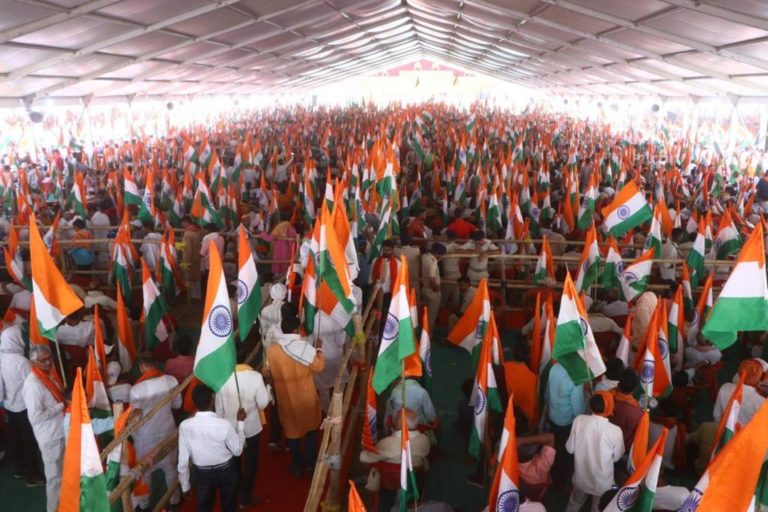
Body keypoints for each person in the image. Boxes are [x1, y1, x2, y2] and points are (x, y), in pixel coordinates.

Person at [265, 313, 325, 476]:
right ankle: (311, 464)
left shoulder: (273, 350)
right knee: (311, 429)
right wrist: (319, 349)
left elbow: (267, 371)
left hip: (286, 398)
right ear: (296, 330)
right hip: (306, 397)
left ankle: (297, 465)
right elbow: (319, 367)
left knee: (291, 431)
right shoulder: (305, 347)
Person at [178, 384, 246, 512]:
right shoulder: (224, 424)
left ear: (194, 402)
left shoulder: (185, 426)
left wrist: (185, 485)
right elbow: (237, 451)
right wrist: (240, 424)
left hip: (202, 473)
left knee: (204, 507)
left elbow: (183, 460)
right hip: (226, 470)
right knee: (229, 504)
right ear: (212, 399)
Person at [129, 352, 182, 507]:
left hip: (145, 437)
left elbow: (134, 418)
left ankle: (144, 505)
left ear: (142, 366)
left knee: (144, 472)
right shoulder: (171, 381)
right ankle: (174, 500)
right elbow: (177, 405)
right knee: (170, 468)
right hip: (167, 429)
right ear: (156, 363)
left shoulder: (136, 390)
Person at [215, 360, 269, 507]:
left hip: (230, 429)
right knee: (251, 462)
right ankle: (245, 497)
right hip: (251, 428)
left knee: (234, 461)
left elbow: (219, 412)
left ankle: (237, 490)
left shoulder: (221, 379)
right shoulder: (255, 376)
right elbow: (263, 404)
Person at [22, 344, 66, 512]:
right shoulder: (32, 385)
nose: (48, 363)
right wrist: (60, 406)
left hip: (60, 431)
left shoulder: (49, 376)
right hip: (50, 437)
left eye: (50, 358)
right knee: (55, 478)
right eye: (43, 360)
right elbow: (35, 417)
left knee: (64, 474)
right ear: (34, 363)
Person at [565, 392, 625, 512]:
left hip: (581, 479)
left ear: (591, 406)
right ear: (609, 407)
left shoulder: (579, 420)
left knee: (574, 502)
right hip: (602, 484)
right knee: (597, 508)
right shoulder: (615, 431)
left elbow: (569, 448)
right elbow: (617, 457)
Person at [0, 325, 44, 486]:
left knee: (15, 439)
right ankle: (33, 476)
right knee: (29, 441)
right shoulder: (22, 362)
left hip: (9, 407)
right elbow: (33, 385)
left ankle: (19, 469)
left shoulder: (1, 358)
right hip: (25, 407)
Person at [545, 362, 586, 490]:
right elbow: (578, 408)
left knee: (553, 447)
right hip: (566, 422)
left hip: (552, 416)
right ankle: (559, 483)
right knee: (563, 454)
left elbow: (547, 394)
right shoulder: (575, 377)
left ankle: (550, 475)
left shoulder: (554, 367)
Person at [360, 408, 430, 467]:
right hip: (415, 475)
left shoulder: (386, 443)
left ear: (399, 423)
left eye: (396, 417)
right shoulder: (425, 439)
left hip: (389, 478)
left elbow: (365, 458)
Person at [714, 359, 765, 426]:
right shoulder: (762, 402)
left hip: (723, 430)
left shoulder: (725, 387)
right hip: (744, 435)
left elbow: (716, 415)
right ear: (758, 376)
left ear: (739, 373)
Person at [610, 369, 644, 448]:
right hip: (623, 448)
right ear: (634, 389)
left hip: (605, 443)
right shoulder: (637, 413)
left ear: (618, 384)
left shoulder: (607, 399)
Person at [370, 239, 401, 313]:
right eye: (384, 250)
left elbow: (399, 282)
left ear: (392, 250)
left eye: (388, 250)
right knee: (375, 315)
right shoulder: (375, 261)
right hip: (376, 293)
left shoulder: (398, 264)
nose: (386, 252)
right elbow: (371, 278)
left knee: (387, 316)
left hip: (389, 294)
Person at [420, 243, 443, 335]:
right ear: (437, 254)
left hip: (424, 289)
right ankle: (428, 335)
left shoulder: (425, 257)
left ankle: (423, 332)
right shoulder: (434, 262)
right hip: (432, 291)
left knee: (425, 313)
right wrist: (436, 289)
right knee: (432, 316)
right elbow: (431, 278)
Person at [181, 215, 203, 301]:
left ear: (186, 222)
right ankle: (198, 296)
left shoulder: (187, 233)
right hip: (198, 256)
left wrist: (186, 260)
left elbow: (188, 249)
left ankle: (191, 298)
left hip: (190, 257)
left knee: (190, 278)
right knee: (197, 278)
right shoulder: (198, 230)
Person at [201, 223, 225, 295]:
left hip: (209, 264)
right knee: (218, 281)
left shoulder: (208, 240)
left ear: (208, 230)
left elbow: (202, 253)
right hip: (219, 263)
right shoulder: (221, 238)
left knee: (209, 281)